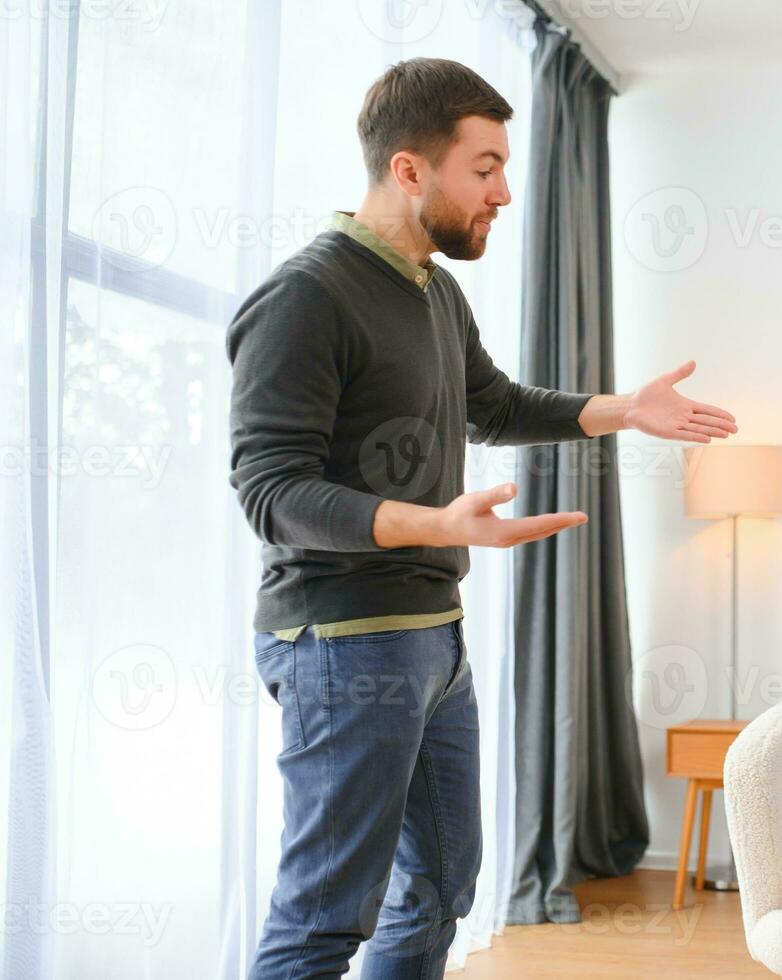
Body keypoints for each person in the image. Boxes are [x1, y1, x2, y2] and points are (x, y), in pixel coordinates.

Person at [226, 57, 737, 980]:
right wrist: (438, 526)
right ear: (411, 170)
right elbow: (273, 495)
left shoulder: (433, 290)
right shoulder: (307, 294)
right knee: (325, 918)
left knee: (437, 891)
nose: (505, 192)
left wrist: (623, 410)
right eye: (486, 166)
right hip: (342, 642)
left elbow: (492, 405)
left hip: (433, 640)